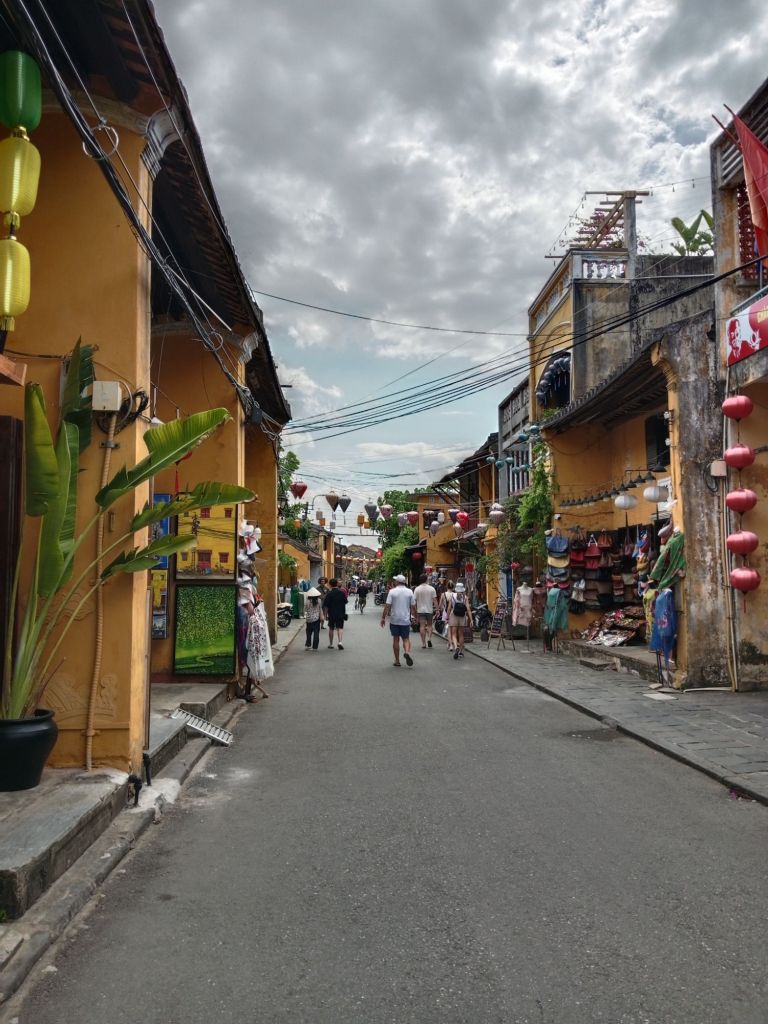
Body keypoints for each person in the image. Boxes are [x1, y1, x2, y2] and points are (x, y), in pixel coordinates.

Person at [380, 573, 415, 667]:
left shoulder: (392, 592)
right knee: (406, 639)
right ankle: (406, 652)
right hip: (405, 619)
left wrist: (383, 617)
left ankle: (397, 660)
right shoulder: (410, 592)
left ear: (397, 582)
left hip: (395, 619)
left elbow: (387, 606)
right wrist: (416, 617)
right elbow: (413, 607)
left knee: (396, 639)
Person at [412, 573, 438, 648]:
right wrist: (437, 609)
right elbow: (435, 600)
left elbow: (414, 601)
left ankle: (423, 643)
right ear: (426, 579)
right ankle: (429, 639)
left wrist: (414, 611)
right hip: (429, 610)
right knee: (429, 625)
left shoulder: (417, 589)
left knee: (422, 626)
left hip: (420, 610)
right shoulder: (431, 589)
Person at [448, 582, 473, 660]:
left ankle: (456, 647)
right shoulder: (465, 597)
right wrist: (471, 620)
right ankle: (461, 651)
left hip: (454, 615)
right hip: (462, 616)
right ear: (463, 590)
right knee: (461, 634)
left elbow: (449, 608)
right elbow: (468, 609)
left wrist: (447, 617)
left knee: (453, 634)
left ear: (456, 589)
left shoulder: (452, 596)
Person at [322, 578, 348, 650]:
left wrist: (325, 615)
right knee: (340, 628)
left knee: (331, 628)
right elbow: (345, 602)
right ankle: (340, 642)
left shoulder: (329, 594)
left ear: (330, 585)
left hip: (331, 613)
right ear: (337, 584)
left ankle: (331, 644)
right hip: (340, 613)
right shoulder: (342, 593)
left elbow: (326, 606)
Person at [303, 586, 323, 651]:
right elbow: (320, 609)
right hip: (316, 619)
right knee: (316, 633)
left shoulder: (307, 601)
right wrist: (321, 616)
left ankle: (308, 645)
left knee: (308, 632)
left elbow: (305, 609)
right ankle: (315, 647)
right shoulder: (319, 600)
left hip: (309, 619)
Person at [439, 581, 456, 651]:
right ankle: (450, 643)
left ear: (447, 586)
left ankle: (451, 645)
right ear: (453, 587)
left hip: (446, 613)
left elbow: (440, 605)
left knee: (448, 629)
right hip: (454, 613)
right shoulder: (455, 594)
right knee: (452, 629)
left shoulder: (443, 595)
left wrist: (441, 609)